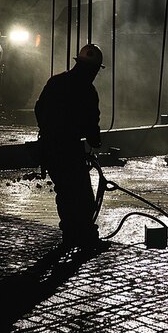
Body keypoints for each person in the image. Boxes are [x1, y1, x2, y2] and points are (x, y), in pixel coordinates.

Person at [34, 43, 109, 251]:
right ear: (93, 69)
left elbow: (39, 109)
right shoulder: (87, 90)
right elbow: (91, 123)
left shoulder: (56, 82)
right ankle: (85, 237)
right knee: (83, 195)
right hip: (68, 148)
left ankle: (70, 235)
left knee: (65, 193)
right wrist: (95, 142)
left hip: (50, 147)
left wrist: (49, 131)